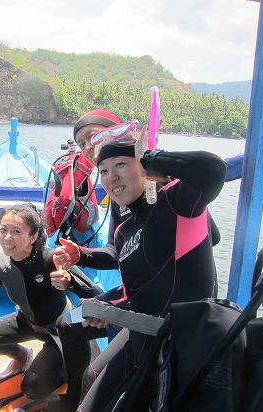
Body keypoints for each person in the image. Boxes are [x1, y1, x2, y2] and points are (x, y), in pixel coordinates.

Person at [54, 126, 227, 411]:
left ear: (142, 166)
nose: (111, 176)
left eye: (121, 165)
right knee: (82, 356)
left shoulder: (175, 199)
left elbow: (213, 169)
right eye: (104, 170)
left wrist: (153, 159)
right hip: (144, 330)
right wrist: (85, 263)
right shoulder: (124, 229)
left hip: (181, 346)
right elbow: (132, 282)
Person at [0, 203, 103, 401]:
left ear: (33, 237)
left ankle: (65, 365)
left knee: (32, 387)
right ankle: (22, 356)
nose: (7, 237)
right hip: (26, 322)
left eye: (16, 231)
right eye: (3, 229)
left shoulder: (52, 258)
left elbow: (97, 295)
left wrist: (70, 281)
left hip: (60, 332)